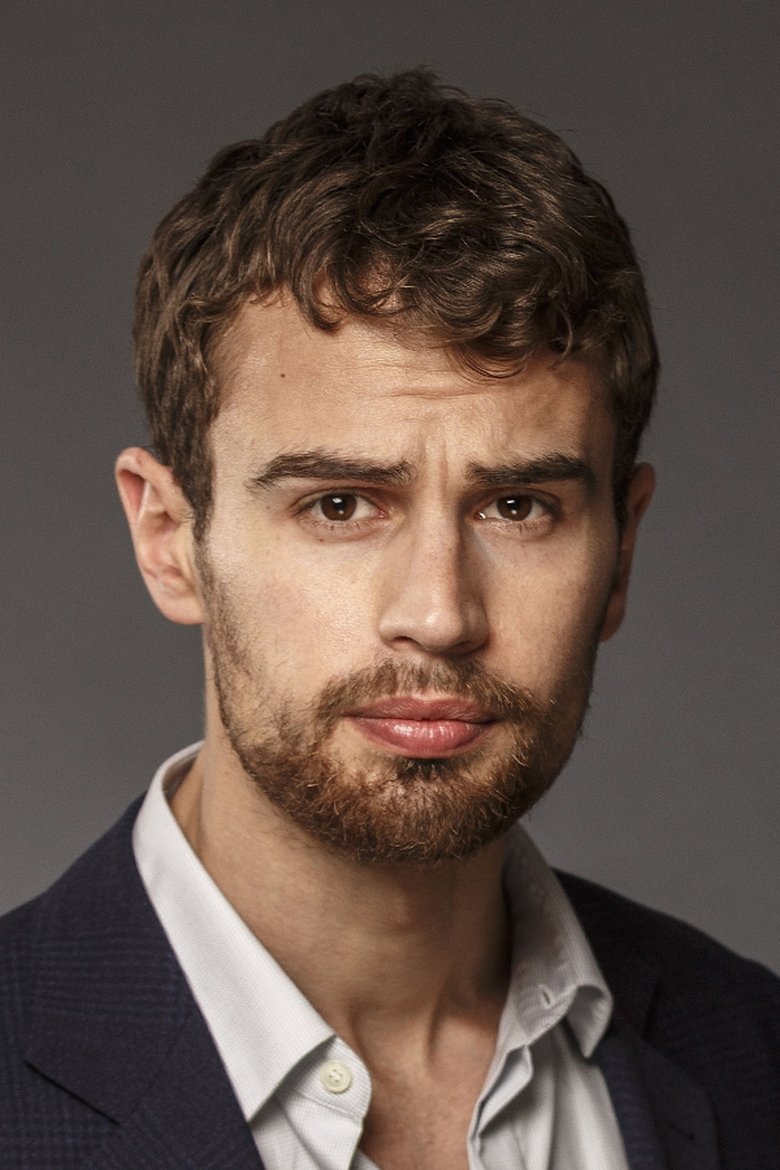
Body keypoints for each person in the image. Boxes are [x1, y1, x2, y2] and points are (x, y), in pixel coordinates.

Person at [1, 70, 777, 1170]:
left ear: (621, 553)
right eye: (339, 505)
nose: (439, 613)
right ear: (169, 538)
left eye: (519, 507)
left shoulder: (752, 1054)